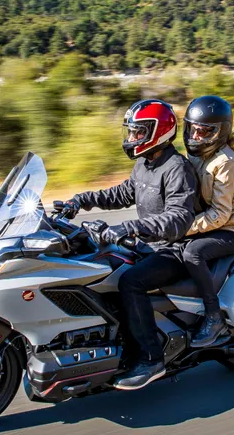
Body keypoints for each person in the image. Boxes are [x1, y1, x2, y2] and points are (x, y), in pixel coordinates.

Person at [58, 99, 198, 391]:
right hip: (147, 244)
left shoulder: (176, 168)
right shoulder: (146, 164)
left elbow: (178, 218)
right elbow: (121, 194)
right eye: (131, 132)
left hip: (172, 249)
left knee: (131, 282)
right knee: (99, 268)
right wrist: (80, 201)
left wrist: (129, 227)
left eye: (138, 132)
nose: (132, 138)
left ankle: (151, 358)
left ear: (157, 132)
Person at [181, 95, 234, 347]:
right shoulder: (197, 155)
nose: (196, 136)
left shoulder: (225, 162)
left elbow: (220, 214)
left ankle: (214, 318)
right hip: (210, 222)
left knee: (193, 253)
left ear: (220, 132)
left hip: (233, 228)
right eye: (193, 129)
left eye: (204, 132)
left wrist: (183, 229)